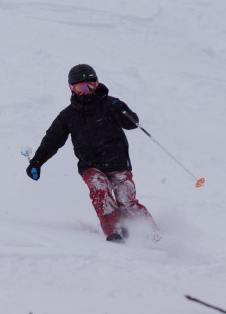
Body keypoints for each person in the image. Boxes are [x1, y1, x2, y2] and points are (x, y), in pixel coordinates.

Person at [25, 64, 159, 242]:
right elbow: (52, 140)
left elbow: (131, 124)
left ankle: (151, 232)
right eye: (81, 87)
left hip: (117, 161)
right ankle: (115, 230)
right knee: (100, 190)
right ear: (72, 88)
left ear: (97, 84)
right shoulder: (68, 116)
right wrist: (37, 162)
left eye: (91, 86)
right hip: (90, 165)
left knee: (126, 198)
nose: (87, 91)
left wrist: (125, 113)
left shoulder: (111, 104)